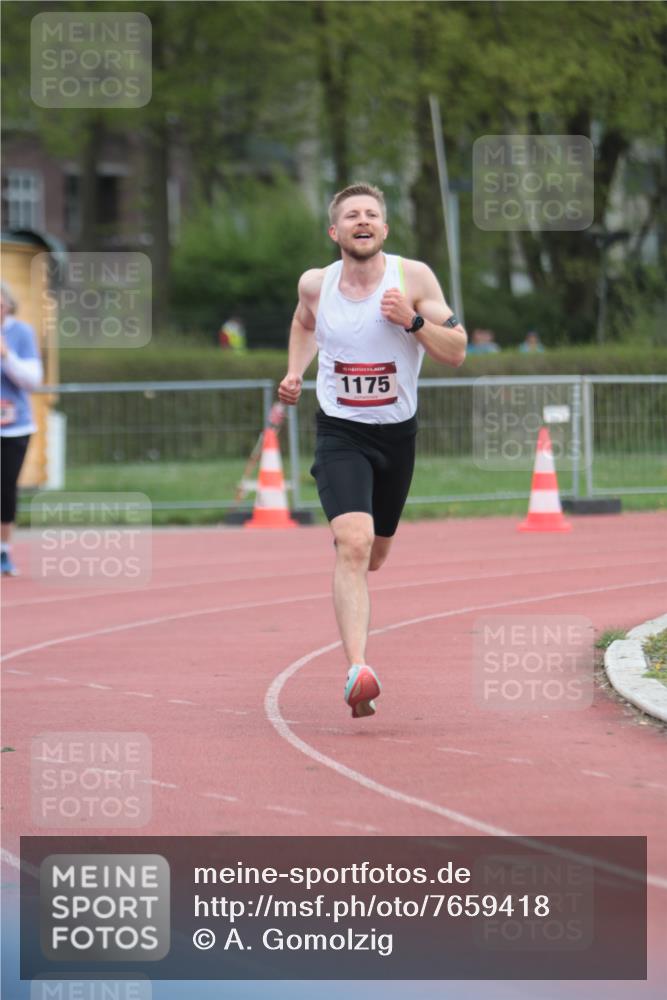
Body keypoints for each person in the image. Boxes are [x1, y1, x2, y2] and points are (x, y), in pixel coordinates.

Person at [278, 182, 466, 719]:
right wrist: (295, 371)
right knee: (353, 543)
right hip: (341, 432)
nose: (362, 221)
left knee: (375, 555)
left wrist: (412, 321)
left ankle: (355, 543)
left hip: (396, 436)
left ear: (384, 228)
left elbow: (457, 351)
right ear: (334, 232)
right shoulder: (316, 284)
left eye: (371, 214)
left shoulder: (414, 278)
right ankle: (357, 669)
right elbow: (303, 322)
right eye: (351, 215)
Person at [1, 282, 43, 576]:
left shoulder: (22, 333)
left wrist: (6, 356)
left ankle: (3, 550)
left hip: (14, 427)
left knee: (5, 488)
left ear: (8, 306)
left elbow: (32, 380)